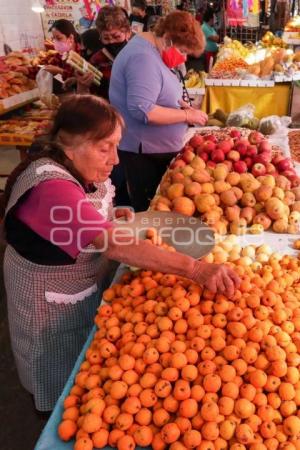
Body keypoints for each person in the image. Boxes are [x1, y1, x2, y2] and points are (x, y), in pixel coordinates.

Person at [2, 95, 240, 412]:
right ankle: (48, 414)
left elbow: (80, 222)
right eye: (105, 148)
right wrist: (195, 269)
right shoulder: (52, 187)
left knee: (83, 360)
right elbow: (115, 244)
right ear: (70, 145)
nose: (115, 159)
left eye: (116, 146)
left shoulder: (75, 165)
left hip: (78, 283)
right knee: (56, 370)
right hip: (46, 299)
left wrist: (108, 220)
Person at [109, 10, 208, 212]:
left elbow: (157, 89)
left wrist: (179, 103)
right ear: (168, 39)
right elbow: (143, 110)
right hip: (144, 153)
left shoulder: (151, 50)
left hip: (155, 149)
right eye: (183, 51)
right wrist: (187, 115)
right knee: (151, 210)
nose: (183, 59)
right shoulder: (142, 57)